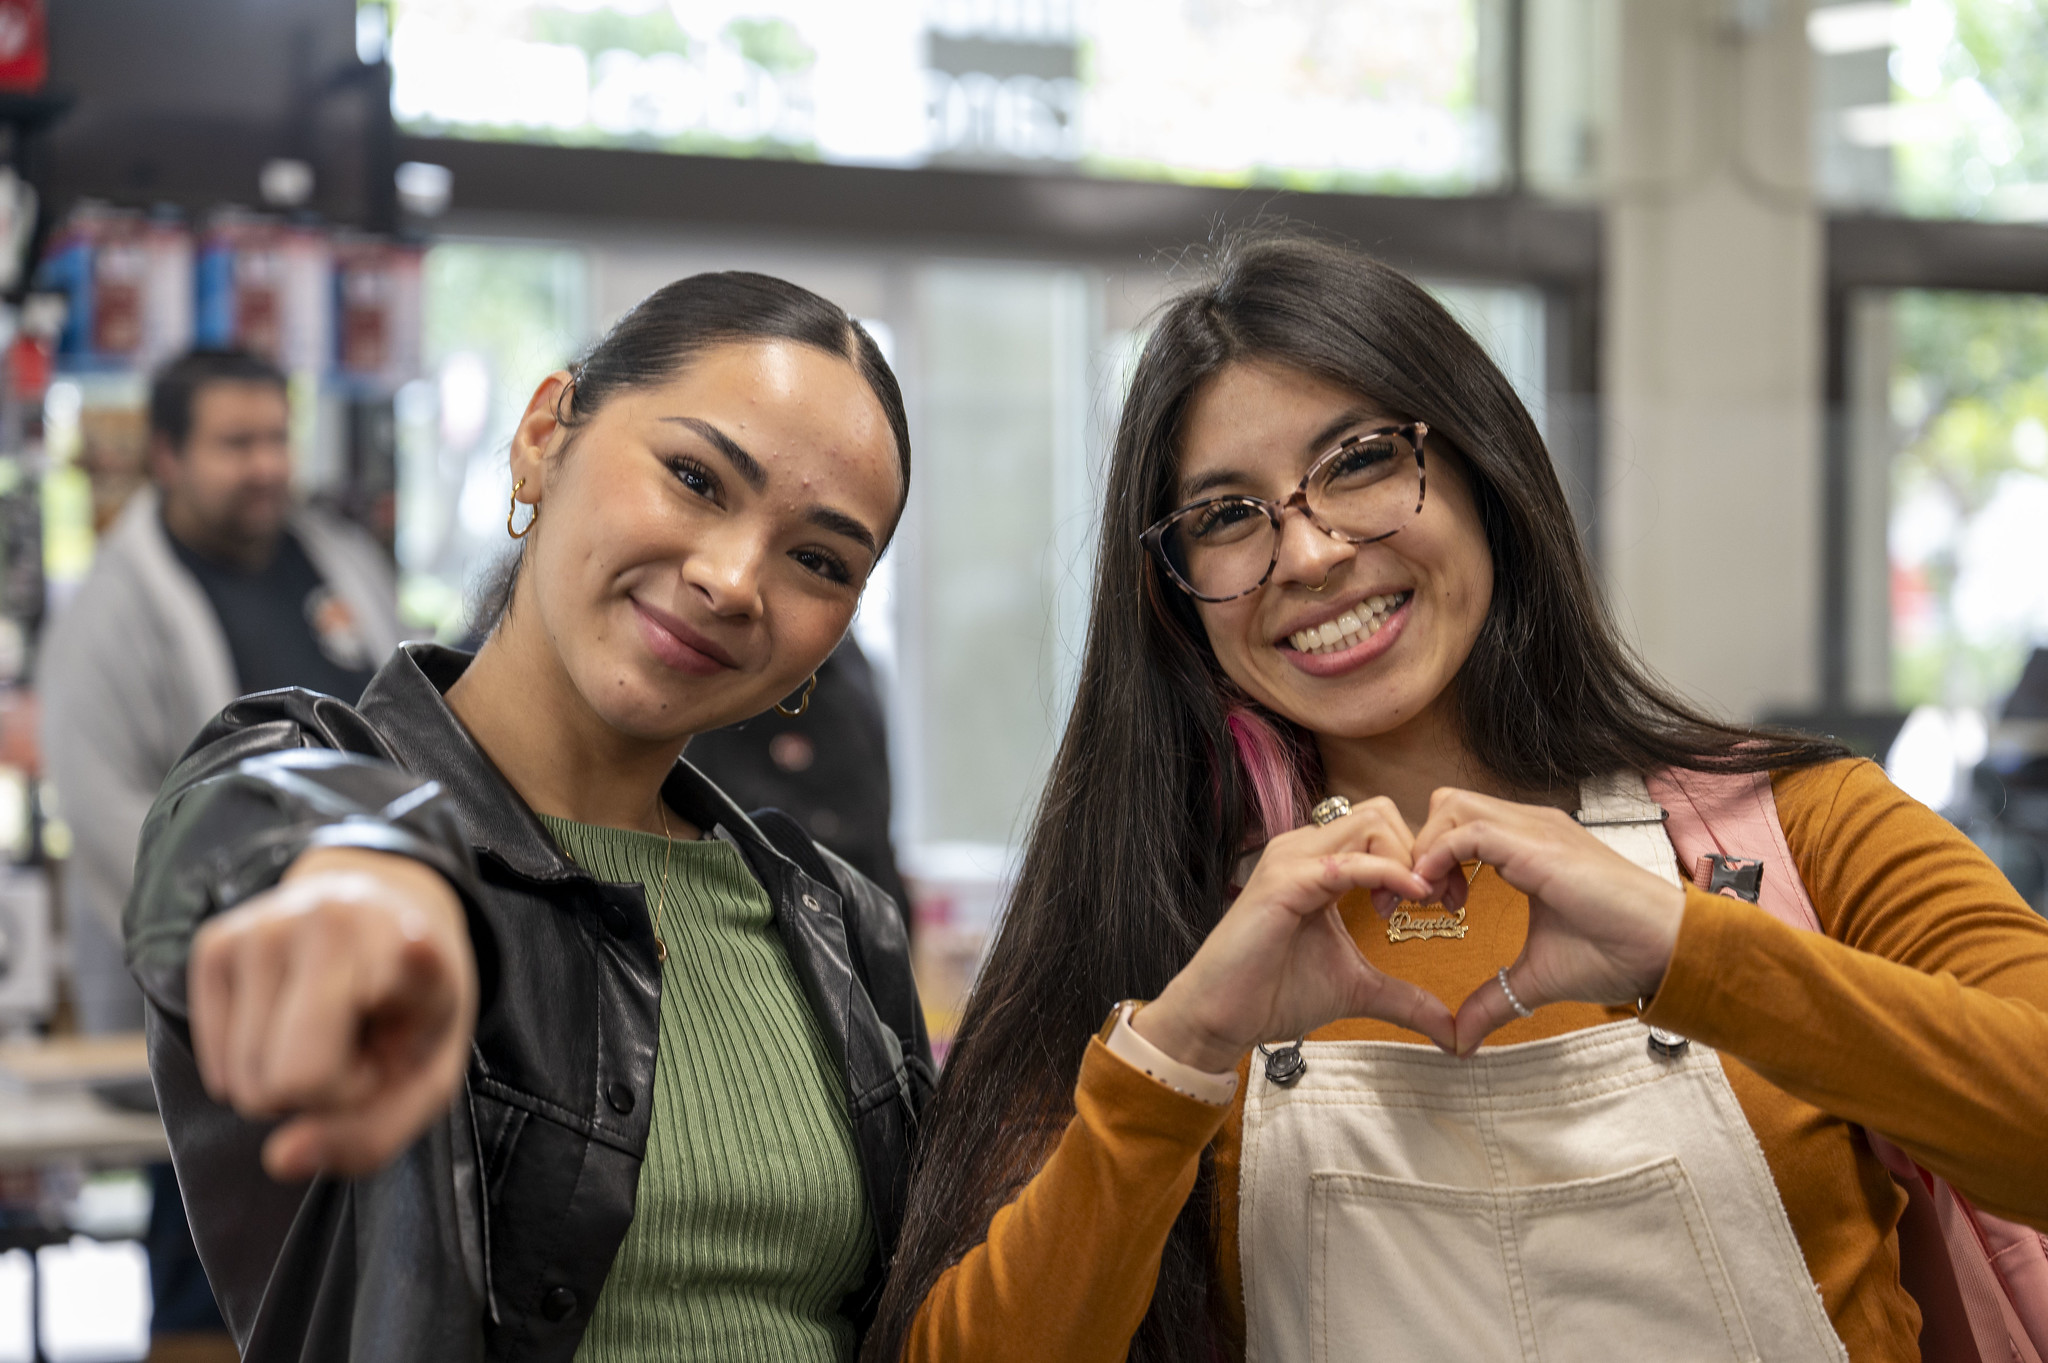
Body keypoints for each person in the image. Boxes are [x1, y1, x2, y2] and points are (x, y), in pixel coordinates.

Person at [866, 233, 2048, 1363]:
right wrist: (1181, 1055)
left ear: (1483, 467)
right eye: (1226, 517)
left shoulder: (1797, 826)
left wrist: (1692, 950)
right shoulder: (1152, 926)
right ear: (1174, 593)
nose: (1313, 552)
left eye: (1361, 461)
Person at [125, 272, 930, 1363]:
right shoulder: (330, 791)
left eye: (819, 560)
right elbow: (240, 823)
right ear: (545, 434)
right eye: (694, 477)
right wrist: (370, 876)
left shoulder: (837, 923)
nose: (736, 578)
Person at [38, 346, 403, 1341]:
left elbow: (409, 733)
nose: (266, 465)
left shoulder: (336, 563)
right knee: (217, 1284)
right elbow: (110, 815)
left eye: (275, 437)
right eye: (235, 443)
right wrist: (242, 932)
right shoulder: (113, 610)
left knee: (357, 1290)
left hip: (369, 987)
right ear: (167, 455)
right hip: (215, 1012)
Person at [686, 636, 912, 920]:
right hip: (774, 908)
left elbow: (871, 816)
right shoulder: (738, 664)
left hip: (858, 907)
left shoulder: (846, 663)